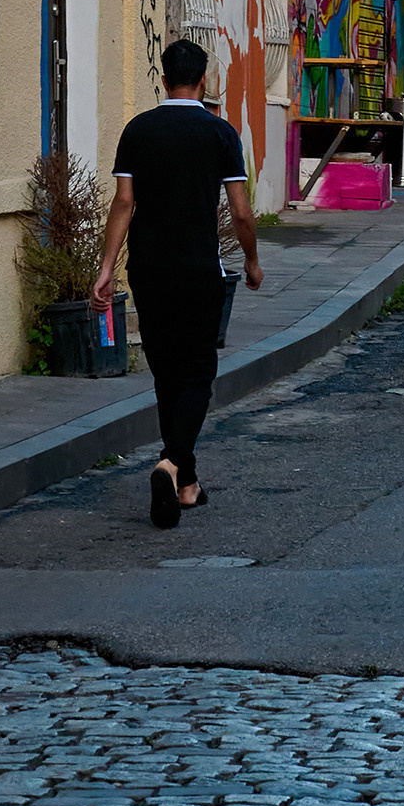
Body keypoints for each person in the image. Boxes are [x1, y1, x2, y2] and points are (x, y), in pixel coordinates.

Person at [93, 38, 263, 530]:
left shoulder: (137, 130)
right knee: (197, 374)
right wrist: (251, 260)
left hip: (148, 268)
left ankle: (185, 484)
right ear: (203, 80)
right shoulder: (219, 133)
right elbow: (241, 210)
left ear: (162, 80)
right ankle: (170, 463)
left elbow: (123, 203)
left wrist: (107, 267)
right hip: (197, 270)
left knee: (166, 372)